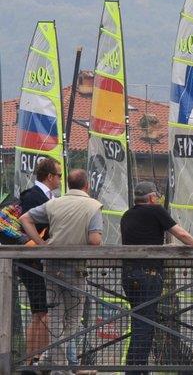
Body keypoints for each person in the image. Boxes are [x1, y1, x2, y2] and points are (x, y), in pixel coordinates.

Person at [20, 169, 103, 375]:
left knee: (55, 317)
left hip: (51, 267)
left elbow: (24, 219)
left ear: (68, 183)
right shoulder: (93, 206)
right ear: (87, 185)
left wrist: (41, 244)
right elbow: (95, 240)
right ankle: (58, 365)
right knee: (73, 319)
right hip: (76, 269)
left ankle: (54, 363)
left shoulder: (53, 203)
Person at [120, 181, 193, 375]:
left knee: (138, 320)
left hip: (128, 273)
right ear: (152, 198)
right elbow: (182, 234)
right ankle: (136, 370)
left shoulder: (127, 215)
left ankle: (135, 368)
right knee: (146, 323)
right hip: (149, 273)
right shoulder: (156, 211)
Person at [18, 158, 61, 370]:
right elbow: (27, 223)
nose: (61, 180)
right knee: (40, 311)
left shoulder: (50, 196)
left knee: (42, 311)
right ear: (50, 176)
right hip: (32, 260)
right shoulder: (32, 196)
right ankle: (33, 359)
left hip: (41, 260)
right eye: (59, 176)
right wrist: (41, 242)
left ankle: (38, 359)